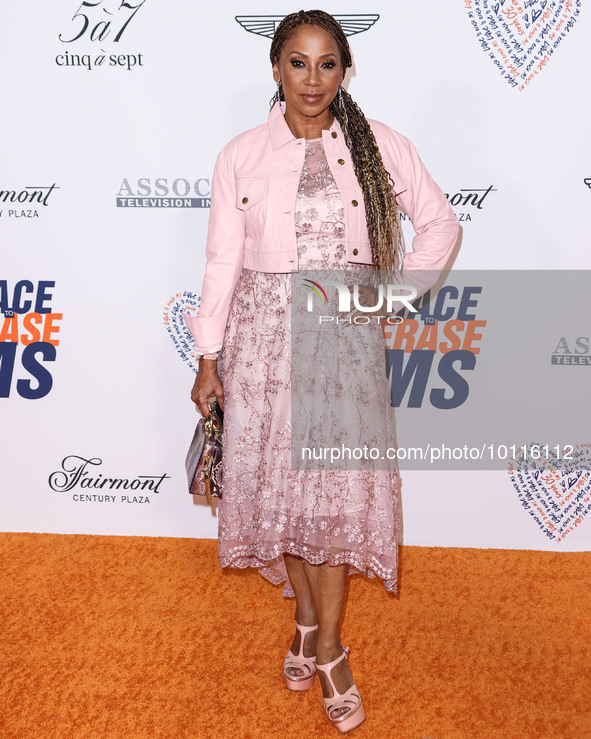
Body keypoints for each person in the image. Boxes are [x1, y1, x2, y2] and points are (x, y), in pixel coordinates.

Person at [187, 9, 459, 734]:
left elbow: (440, 223)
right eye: (298, 63)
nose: (312, 79)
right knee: (286, 494)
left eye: (327, 64)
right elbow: (222, 262)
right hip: (263, 343)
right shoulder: (240, 154)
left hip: (339, 338)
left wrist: (390, 295)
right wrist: (208, 356)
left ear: (346, 71)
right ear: (275, 68)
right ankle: (307, 621)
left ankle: (330, 648)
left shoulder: (376, 145)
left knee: (334, 497)